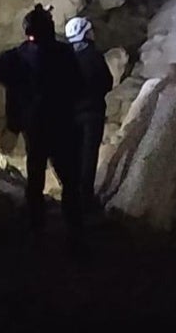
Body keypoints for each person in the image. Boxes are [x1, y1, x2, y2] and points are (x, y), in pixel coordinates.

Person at [0, 4, 86, 253]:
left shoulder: (19, 55)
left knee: (36, 176)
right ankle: (74, 229)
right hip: (60, 123)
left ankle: (36, 228)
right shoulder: (63, 53)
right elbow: (78, 84)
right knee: (69, 177)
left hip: (34, 125)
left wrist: (15, 86)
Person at [65, 15, 113, 214]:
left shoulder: (64, 56)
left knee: (73, 153)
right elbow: (106, 81)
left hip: (71, 114)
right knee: (88, 154)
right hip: (92, 112)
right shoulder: (93, 55)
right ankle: (85, 197)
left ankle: (71, 193)